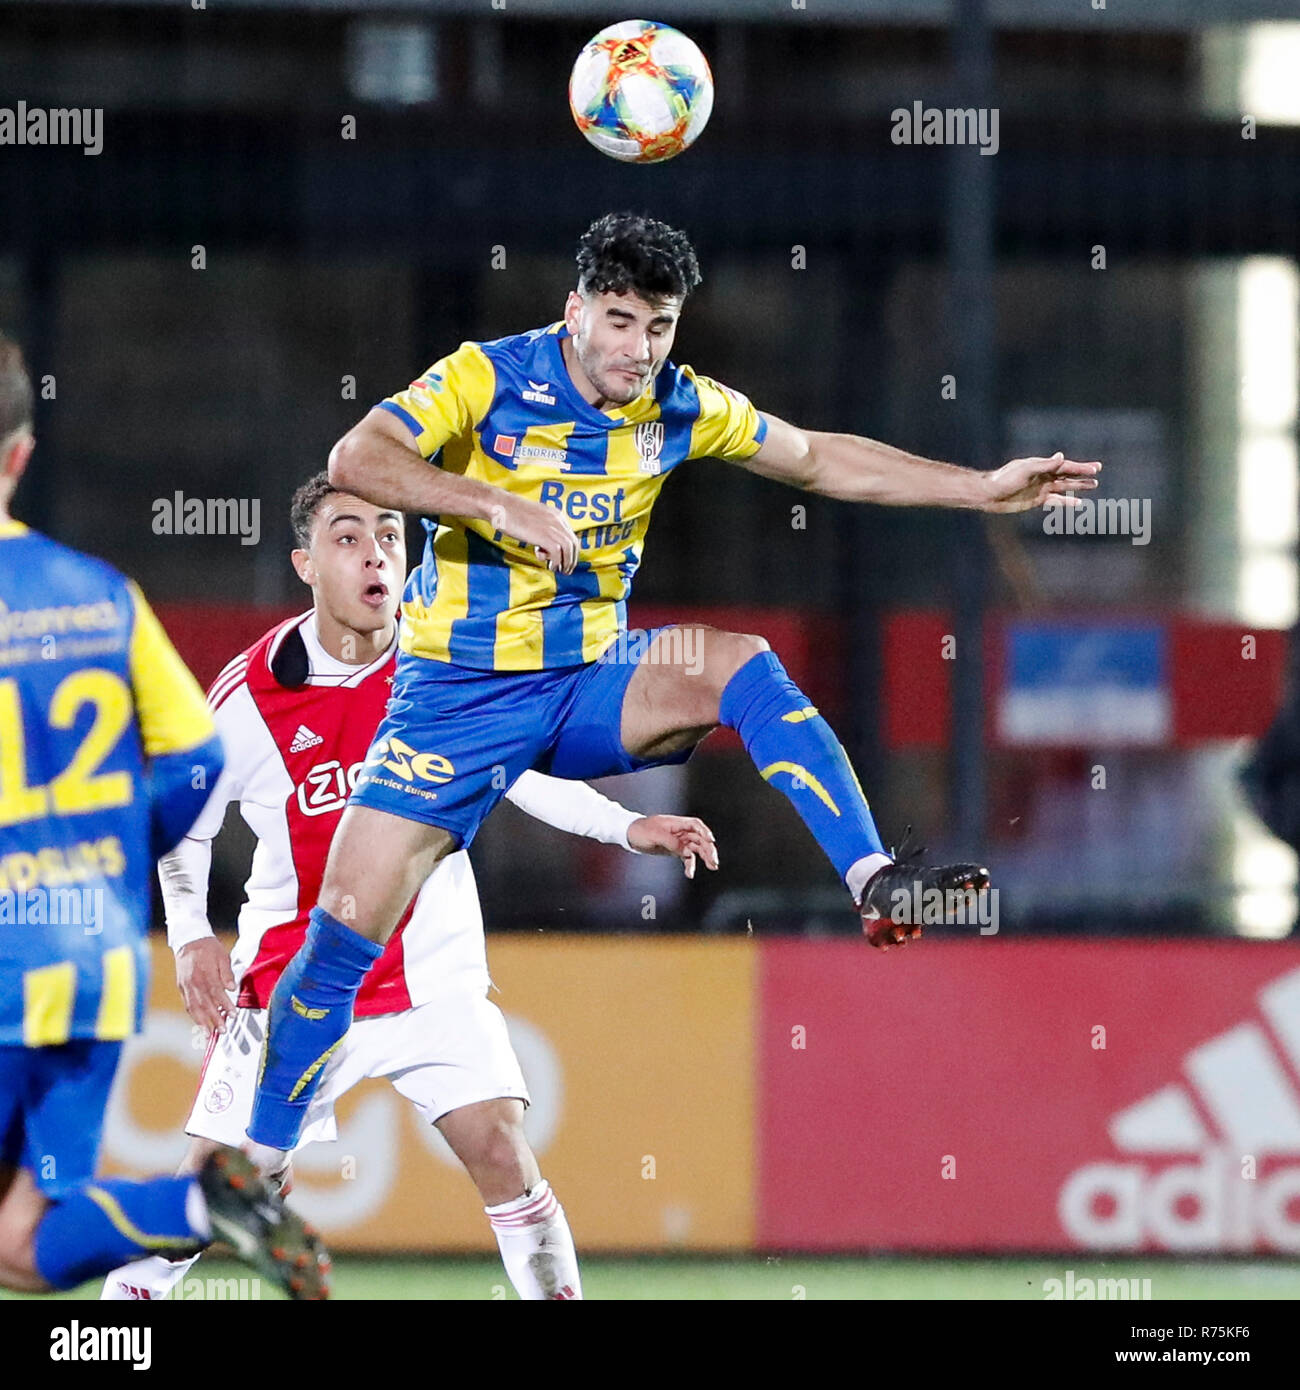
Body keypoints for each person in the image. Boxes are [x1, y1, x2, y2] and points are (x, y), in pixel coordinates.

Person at [246, 211, 1101, 1167]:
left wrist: (981, 489)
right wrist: (491, 499)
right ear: (575, 311)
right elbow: (354, 461)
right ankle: (264, 1166)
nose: (638, 348)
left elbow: (819, 458)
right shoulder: (484, 377)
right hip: (454, 698)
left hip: (588, 683)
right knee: (337, 946)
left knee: (742, 666)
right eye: (619, 320)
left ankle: (876, 883)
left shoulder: (682, 405)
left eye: (659, 326)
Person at [102, 470, 715, 1301]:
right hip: (297, 980)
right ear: (306, 563)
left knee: (503, 1148)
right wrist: (191, 937)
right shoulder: (251, 699)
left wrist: (623, 825)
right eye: (347, 538)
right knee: (210, 1190)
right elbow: (184, 824)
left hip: (429, 972)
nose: (374, 555)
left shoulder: (449, 661)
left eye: (391, 536)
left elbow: (515, 763)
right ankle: (115, 1322)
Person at [0, 334, 327, 1299]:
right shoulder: (102, 596)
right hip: (89, 959)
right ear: (21, 456)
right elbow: (196, 759)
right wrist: (102, 861)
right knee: (25, 1238)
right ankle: (202, 1206)